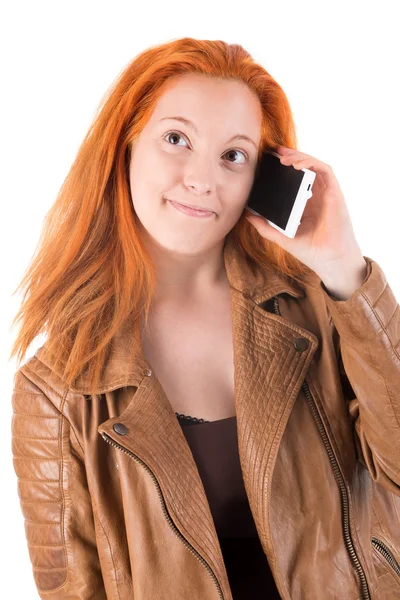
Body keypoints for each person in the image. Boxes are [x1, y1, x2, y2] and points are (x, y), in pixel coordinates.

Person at [9, 37, 400, 599]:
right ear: (127, 147)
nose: (202, 178)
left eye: (233, 155)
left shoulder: (324, 311)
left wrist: (345, 269)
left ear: (261, 178)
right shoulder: (56, 392)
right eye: (176, 139)